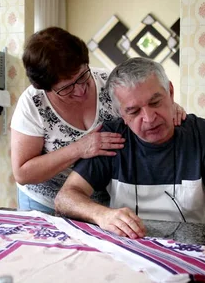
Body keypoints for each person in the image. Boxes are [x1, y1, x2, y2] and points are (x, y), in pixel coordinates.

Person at [54, 57, 205, 248]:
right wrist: (102, 215)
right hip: (130, 251)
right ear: (121, 115)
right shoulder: (110, 139)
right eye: (134, 111)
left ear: (171, 93)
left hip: (195, 251)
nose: (149, 118)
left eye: (155, 102)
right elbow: (65, 198)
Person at [11, 27, 186, 215]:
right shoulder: (33, 103)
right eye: (66, 88)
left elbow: (142, 105)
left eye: (82, 76)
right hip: (44, 202)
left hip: (100, 201)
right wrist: (79, 148)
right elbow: (22, 173)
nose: (80, 90)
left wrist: (167, 106)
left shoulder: (107, 83)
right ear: (47, 88)